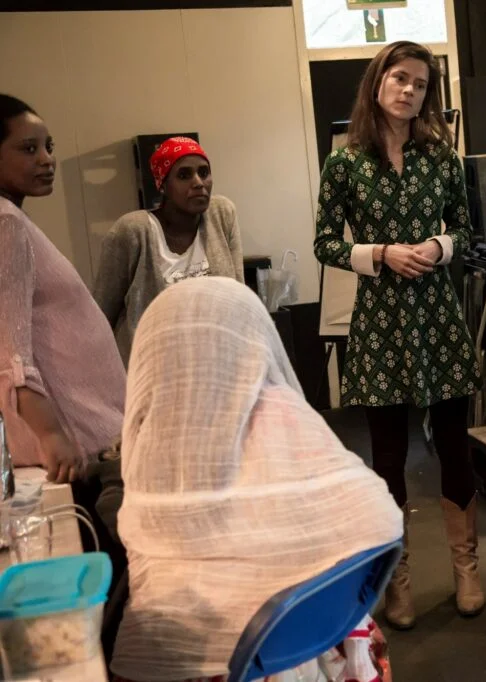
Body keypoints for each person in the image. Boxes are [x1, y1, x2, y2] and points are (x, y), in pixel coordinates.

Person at [109, 277, 402, 682]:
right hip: (324, 637)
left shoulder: (160, 437)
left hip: (218, 663)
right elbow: (379, 520)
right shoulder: (288, 413)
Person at [314, 41, 483, 630]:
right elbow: (324, 243)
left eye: (420, 83)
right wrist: (380, 253)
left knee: (455, 446)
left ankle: (466, 570)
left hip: (438, 314)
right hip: (379, 319)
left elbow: (466, 230)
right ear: (377, 82)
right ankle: (398, 580)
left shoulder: (441, 156)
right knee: (387, 456)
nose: (409, 90)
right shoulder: (345, 162)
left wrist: (439, 247)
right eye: (399, 77)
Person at [0, 93, 125, 547]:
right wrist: (52, 433)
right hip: (71, 442)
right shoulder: (5, 223)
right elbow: (11, 350)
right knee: (108, 567)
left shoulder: (12, 218)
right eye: (28, 149)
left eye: (49, 146)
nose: (47, 159)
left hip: (77, 434)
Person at [93, 136, 244, 365]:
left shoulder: (221, 214)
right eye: (184, 175)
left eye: (204, 172)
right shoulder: (133, 231)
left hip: (217, 363)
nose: (198, 183)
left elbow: (239, 296)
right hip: (154, 370)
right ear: (162, 184)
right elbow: (101, 314)